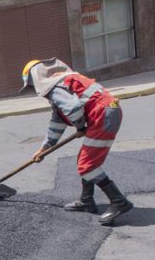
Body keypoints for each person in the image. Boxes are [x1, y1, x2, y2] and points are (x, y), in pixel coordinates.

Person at [22, 58, 133, 226]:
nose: (34, 89)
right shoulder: (64, 81)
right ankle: (87, 200)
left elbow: (73, 109)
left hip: (102, 115)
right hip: (106, 112)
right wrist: (44, 148)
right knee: (84, 160)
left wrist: (80, 126)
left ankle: (119, 201)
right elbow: (58, 122)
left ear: (37, 78)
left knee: (87, 165)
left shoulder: (55, 87)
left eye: (31, 85)